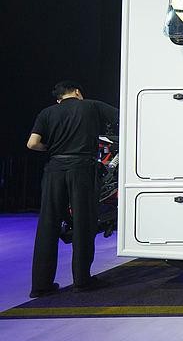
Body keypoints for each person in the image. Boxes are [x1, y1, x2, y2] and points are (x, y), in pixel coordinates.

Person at [26, 80, 118, 297]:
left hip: (55, 169)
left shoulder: (47, 113)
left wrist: (52, 148)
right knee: (83, 224)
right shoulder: (92, 106)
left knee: (48, 225)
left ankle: (41, 285)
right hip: (82, 169)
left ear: (59, 99)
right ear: (77, 92)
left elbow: (32, 143)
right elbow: (122, 118)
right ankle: (82, 281)